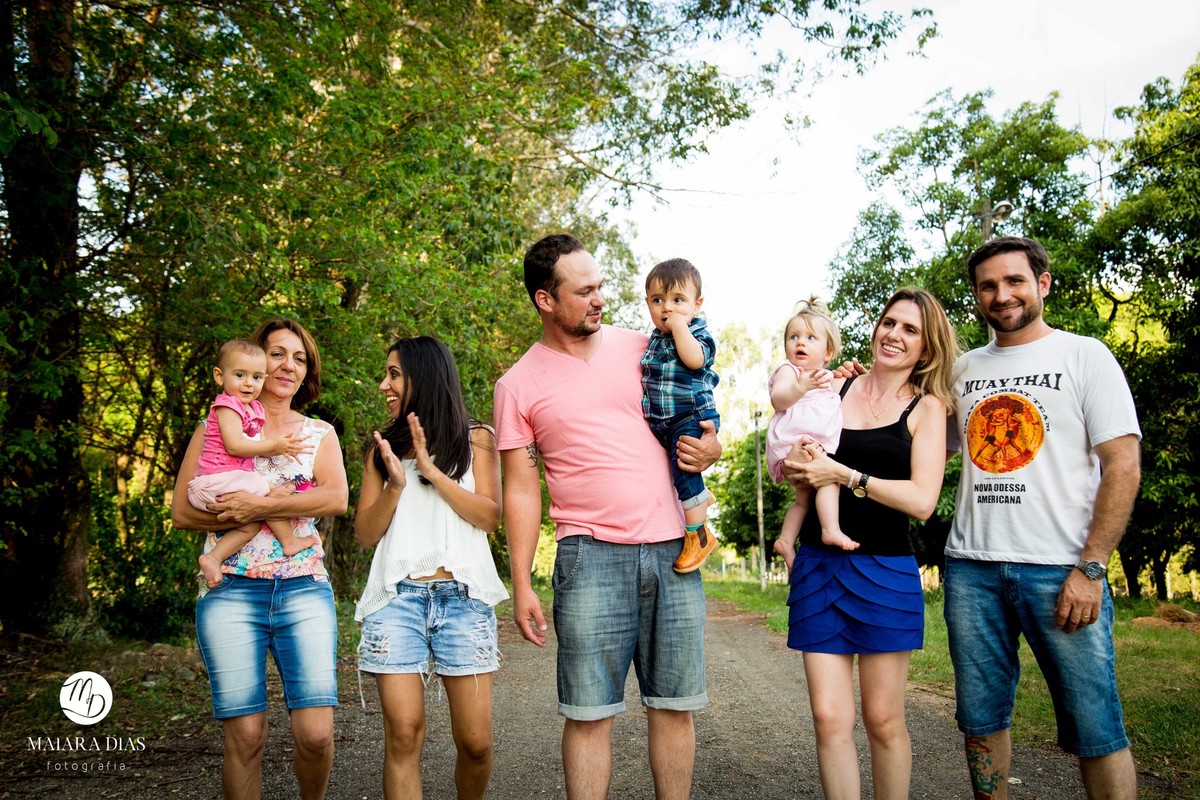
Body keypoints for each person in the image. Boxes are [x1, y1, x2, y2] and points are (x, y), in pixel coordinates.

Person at [494, 233, 721, 800]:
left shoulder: (645, 344)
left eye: (600, 286)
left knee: (673, 708)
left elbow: (695, 402)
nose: (600, 298)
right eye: (585, 290)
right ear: (546, 300)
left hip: (676, 551)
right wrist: (521, 581)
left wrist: (712, 444)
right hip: (588, 557)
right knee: (589, 714)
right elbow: (521, 490)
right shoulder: (516, 385)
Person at [943, 236, 1141, 800]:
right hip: (971, 571)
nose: (1001, 295)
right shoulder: (962, 369)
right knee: (981, 722)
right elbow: (925, 442)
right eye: (988, 286)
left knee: (1095, 727)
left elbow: (1123, 465)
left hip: (1060, 571)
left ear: (1043, 283)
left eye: (1014, 281)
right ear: (978, 296)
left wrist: (1093, 567)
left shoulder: (1084, 355)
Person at [781, 287, 960, 800]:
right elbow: (793, 449)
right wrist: (796, 465)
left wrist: (844, 473)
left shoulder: (929, 408)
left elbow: (923, 500)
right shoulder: (835, 388)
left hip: (885, 571)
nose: (894, 335)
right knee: (828, 717)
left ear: (926, 348)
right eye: (889, 323)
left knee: (883, 719)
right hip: (819, 567)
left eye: (910, 330)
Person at [172, 318, 348, 800]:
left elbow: (335, 500)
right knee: (246, 738)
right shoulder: (215, 424)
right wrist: (243, 515)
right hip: (230, 589)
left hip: (303, 587)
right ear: (252, 361)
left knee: (315, 735)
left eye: (300, 358)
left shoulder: (319, 434)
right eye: (277, 353)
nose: (288, 365)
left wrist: (261, 507)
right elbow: (183, 513)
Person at [353, 336, 508, 800]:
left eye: (394, 374)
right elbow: (365, 534)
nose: (384, 384)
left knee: (476, 744)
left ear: (425, 377)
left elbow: (489, 516)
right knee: (403, 734)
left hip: (463, 600)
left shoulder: (477, 438)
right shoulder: (380, 448)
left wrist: (432, 472)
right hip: (396, 601)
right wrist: (396, 486)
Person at [191, 338, 316, 588]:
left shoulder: (249, 408)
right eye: (240, 375)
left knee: (250, 526)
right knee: (264, 492)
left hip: (223, 482)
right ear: (219, 375)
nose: (249, 383)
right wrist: (275, 446)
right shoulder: (227, 406)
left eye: (257, 377)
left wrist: (282, 449)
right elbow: (235, 446)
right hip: (212, 482)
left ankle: (213, 558)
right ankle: (289, 539)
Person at [640, 257, 721, 573]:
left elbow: (694, 360)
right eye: (658, 300)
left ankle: (698, 537)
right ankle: (699, 497)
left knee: (685, 469)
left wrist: (678, 328)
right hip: (667, 423)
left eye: (678, 300)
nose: (667, 308)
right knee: (681, 474)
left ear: (696, 305)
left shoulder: (696, 332)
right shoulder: (653, 340)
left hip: (691, 416)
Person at [768, 298, 853, 569]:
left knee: (803, 499)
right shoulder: (789, 372)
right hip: (794, 443)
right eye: (793, 337)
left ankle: (785, 539)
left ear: (828, 352)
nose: (800, 342)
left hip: (807, 446)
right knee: (830, 479)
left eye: (810, 338)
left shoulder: (828, 378)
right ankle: (830, 529)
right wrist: (800, 387)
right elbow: (778, 399)